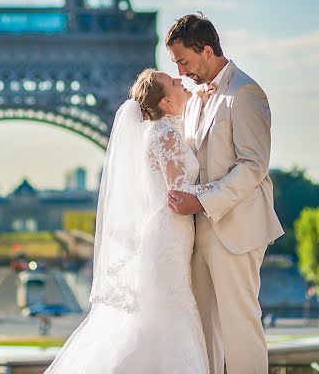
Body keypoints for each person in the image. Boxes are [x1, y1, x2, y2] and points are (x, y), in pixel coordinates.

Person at [45, 69, 212, 374]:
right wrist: (227, 188)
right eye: (173, 82)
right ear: (165, 102)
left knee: (157, 317)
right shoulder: (166, 133)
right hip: (170, 237)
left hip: (163, 235)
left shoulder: (153, 133)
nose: (180, 81)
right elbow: (180, 193)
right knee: (170, 316)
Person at [166, 13, 285, 374]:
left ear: (206, 50)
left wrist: (201, 201)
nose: (181, 72)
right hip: (197, 231)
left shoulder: (245, 93)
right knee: (203, 332)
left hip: (235, 229)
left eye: (184, 61)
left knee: (240, 329)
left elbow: (253, 166)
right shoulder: (195, 98)